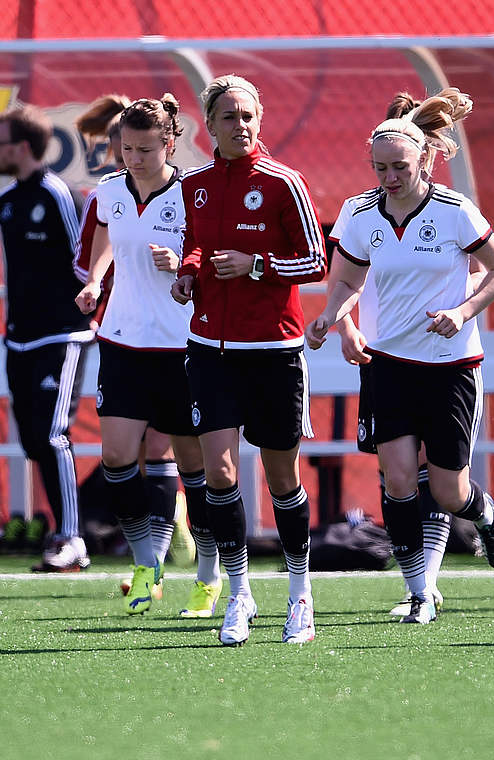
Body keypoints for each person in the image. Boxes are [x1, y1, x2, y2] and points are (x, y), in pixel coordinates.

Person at [308, 88, 494, 624]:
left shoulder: (454, 211)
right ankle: (418, 591)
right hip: (388, 366)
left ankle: (484, 513)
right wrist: (332, 317)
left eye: (398, 167)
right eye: (379, 168)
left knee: (448, 491)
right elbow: (349, 276)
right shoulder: (359, 212)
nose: (389, 178)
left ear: (425, 158)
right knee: (397, 480)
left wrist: (463, 313)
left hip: (450, 368)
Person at [170, 74, 326, 645]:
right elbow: (197, 245)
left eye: (248, 115)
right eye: (229, 116)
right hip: (210, 350)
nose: (241, 125)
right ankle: (239, 595)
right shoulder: (196, 185)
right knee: (219, 475)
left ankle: (300, 595)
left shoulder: (285, 182)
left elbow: (315, 261)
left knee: (282, 478)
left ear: (260, 120)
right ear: (207, 125)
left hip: (274, 352)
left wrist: (257, 265)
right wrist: (188, 274)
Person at [74, 95, 217, 616]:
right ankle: (145, 565)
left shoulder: (194, 194)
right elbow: (105, 239)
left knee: (195, 465)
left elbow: (206, 258)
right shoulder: (109, 192)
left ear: (170, 145)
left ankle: (208, 575)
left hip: (182, 346)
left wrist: (183, 265)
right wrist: (94, 282)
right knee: (115, 458)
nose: (132, 158)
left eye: (144, 149)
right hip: (122, 341)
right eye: (126, 148)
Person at [0, 103, 94, 572]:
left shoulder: (57, 194)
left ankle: (72, 538)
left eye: (1, 143)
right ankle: (63, 530)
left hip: (63, 335)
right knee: (34, 440)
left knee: (53, 436)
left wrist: (88, 312)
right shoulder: (6, 201)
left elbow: (84, 262)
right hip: (20, 339)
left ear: (25, 147)